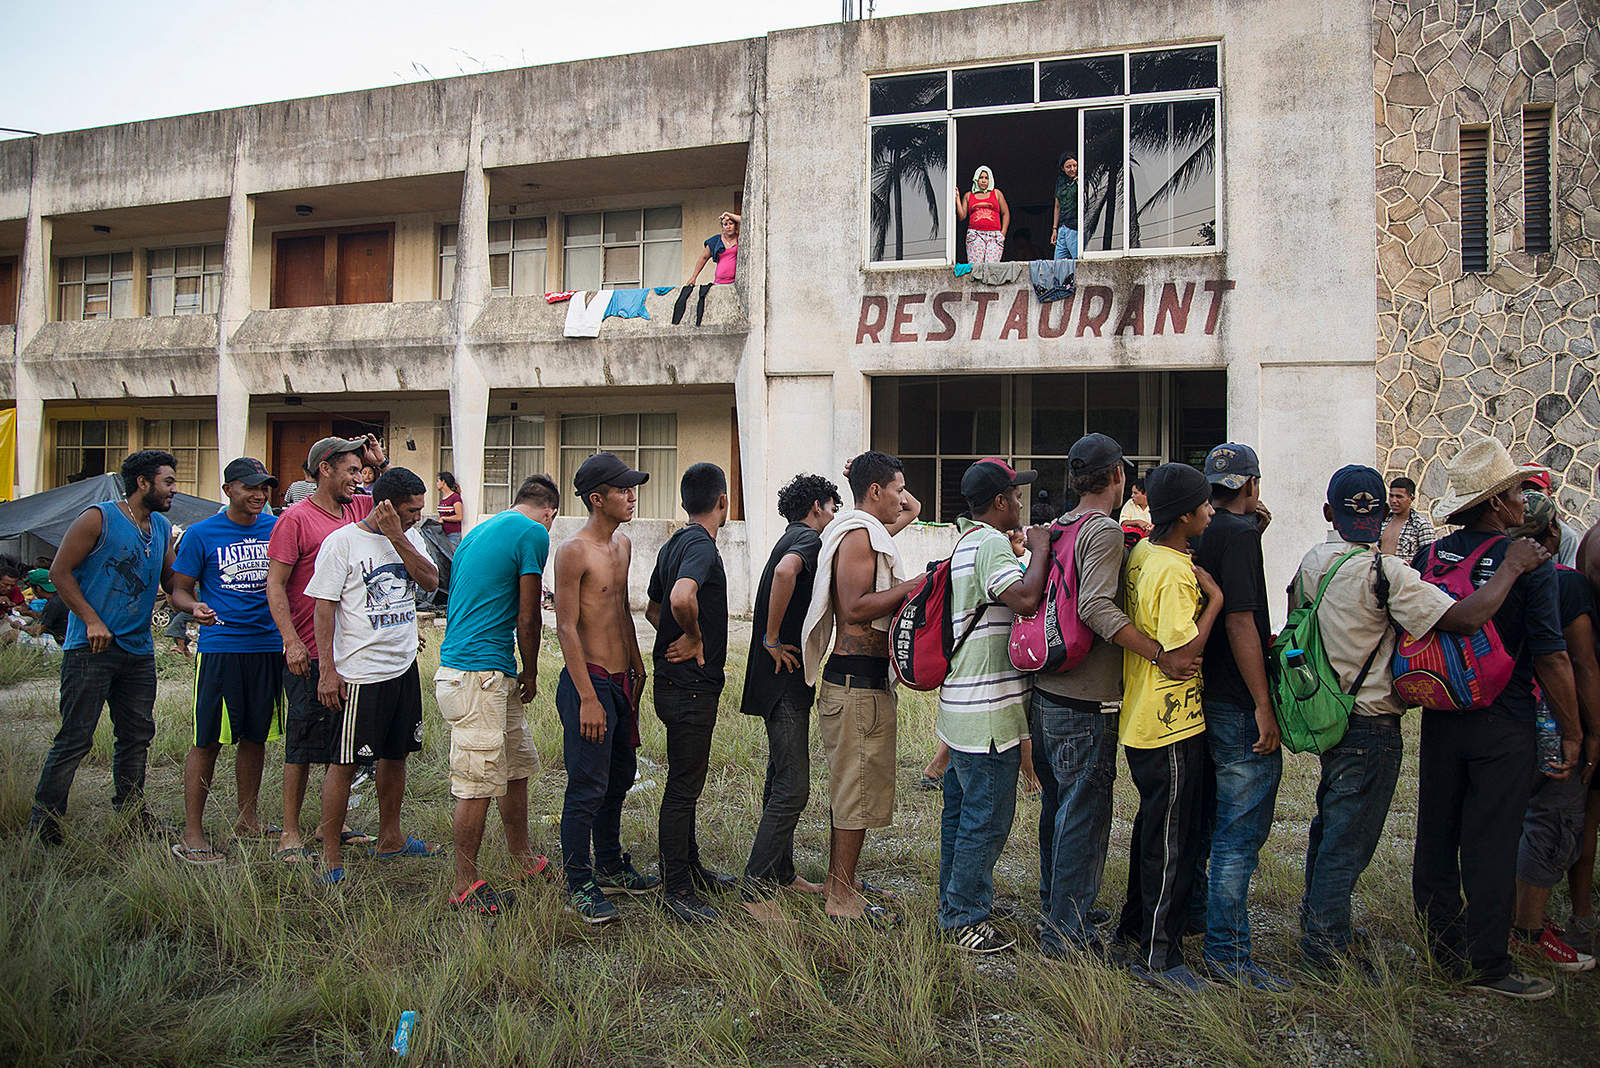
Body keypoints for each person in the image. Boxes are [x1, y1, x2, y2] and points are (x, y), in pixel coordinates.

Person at [1291, 465, 1540, 978]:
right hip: (1373, 724)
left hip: (1328, 713)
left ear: (1327, 514)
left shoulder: (1315, 560)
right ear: (1383, 515)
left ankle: (1317, 921)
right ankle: (1326, 947)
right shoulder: (1390, 574)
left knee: (1328, 825)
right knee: (1349, 841)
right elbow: (1466, 617)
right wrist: (1512, 567)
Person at [1411, 436, 1581, 1001]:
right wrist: (1575, 732)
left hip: (1442, 712)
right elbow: (1553, 656)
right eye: (1513, 491)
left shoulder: (1431, 557)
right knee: (1490, 840)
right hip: (1503, 722)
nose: (1520, 499)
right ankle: (1486, 964)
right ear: (1497, 504)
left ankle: (1441, 947)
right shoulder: (1528, 562)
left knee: (1437, 831)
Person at [1033, 435, 1200, 960]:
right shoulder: (1103, 529)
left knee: (1059, 811)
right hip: (1084, 699)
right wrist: (1159, 654)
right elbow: (1096, 609)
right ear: (1117, 477)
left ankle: (1057, 907)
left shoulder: (1061, 524)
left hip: (1046, 690)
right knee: (1083, 818)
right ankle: (1068, 934)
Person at [29, 450, 179, 845]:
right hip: (90, 650)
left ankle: (131, 814)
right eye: (167, 481)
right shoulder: (98, 518)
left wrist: (192, 604)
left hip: (138, 651)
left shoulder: (160, 526)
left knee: (136, 736)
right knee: (75, 738)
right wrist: (92, 619)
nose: (173, 489)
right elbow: (60, 573)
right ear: (143, 483)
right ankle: (44, 826)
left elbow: (172, 583)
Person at [1113, 461, 1224, 993]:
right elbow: (1182, 655)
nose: (1211, 511)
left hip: (1141, 717)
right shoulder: (1176, 573)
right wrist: (1216, 602)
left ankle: (1133, 929)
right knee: (1172, 843)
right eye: (1205, 504)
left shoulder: (1145, 553)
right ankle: (1161, 957)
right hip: (1170, 723)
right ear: (1184, 514)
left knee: (1154, 831)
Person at [799, 450, 922, 925]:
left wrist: (868, 476)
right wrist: (916, 585)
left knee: (856, 791)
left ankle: (838, 882)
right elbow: (854, 608)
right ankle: (842, 898)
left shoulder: (867, 529)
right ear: (875, 493)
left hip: (863, 685)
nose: (902, 499)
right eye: (895, 488)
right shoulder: (857, 536)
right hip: (855, 685)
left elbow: (910, 509)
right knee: (855, 795)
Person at [305, 467, 442, 884]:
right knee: (345, 762)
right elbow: (323, 609)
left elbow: (432, 582)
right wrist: (327, 671)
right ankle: (330, 854)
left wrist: (398, 536)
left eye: (420, 509)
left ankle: (390, 837)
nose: (417, 516)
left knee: (396, 755)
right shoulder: (342, 543)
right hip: (360, 674)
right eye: (409, 510)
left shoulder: (410, 537)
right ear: (384, 506)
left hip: (402, 666)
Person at [935, 459, 1050, 953]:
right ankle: (964, 917)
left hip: (960, 708)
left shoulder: (965, 543)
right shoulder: (990, 543)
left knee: (961, 817)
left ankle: (956, 899)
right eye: (1016, 496)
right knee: (987, 818)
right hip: (988, 712)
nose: (1021, 503)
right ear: (1001, 502)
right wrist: (1042, 549)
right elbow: (1024, 600)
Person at [1187, 444, 1287, 990]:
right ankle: (1229, 954)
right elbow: (1241, 623)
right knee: (1238, 833)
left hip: (1200, 693)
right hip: (1234, 699)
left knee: (1208, 821)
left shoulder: (1203, 529)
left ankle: (1201, 918)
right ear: (1253, 483)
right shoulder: (1241, 534)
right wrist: (1263, 704)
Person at [436, 474, 559, 915]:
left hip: (485, 669)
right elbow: (529, 615)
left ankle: (522, 855)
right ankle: (463, 885)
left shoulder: (481, 529)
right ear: (550, 512)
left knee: (514, 766)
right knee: (476, 782)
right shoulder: (532, 533)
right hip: (476, 675)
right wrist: (532, 669)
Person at [265, 434, 389, 863]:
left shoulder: (358, 508)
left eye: (362, 470)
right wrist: (291, 642)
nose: (360, 477)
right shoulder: (296, 519)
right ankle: (290, 832)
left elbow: (395, 508)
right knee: (302, 743)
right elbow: (276, 586)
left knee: (345, 743)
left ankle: (328, 826)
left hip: (352, 651)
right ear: (325, 468)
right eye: (352, 470)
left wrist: (382, 464)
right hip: (311, 651)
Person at [552, 453, 655, 925]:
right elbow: (567, 628)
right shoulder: (574, 551)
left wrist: (636, 666)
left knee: (618, 778)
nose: (632, 496)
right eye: (623, 490)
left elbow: (620, 613)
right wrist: (588, 698)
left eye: (633, 488)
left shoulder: (623, 545)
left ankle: (611, 864)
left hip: (619, 682)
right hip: (588, 682)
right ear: (598, 499)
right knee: (587, 785)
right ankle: (579, 881)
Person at [167, 458, 283, 864]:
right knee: (209, 739)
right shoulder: (202, 533)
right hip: (221, 647)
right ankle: (193, 830)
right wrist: (193, 605)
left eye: (265, 488)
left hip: (269, 647)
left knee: (256, 736)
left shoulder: (277, 529)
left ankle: (247, 819)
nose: (259, 495)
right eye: (250, 487)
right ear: (228, 488)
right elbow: (177, 589)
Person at [1509, 491, 1600, 969]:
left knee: (1513, 819)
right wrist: (1587, 732)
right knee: (1556, 820)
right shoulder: (1564, 583)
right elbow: (1577, 662)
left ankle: (1512, 917)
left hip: (1502, 719)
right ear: (1552, 534)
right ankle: (1532, 929)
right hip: (1551, 718)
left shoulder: (1492, 576)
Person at [740, 473, 842, 897]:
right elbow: (786, 573)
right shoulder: (808, 542)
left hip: (775, 680)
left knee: (777, 777)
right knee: (794, 787)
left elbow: (907, 510)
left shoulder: (791, 535)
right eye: (832, 506)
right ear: (816, 505)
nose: (835, 514)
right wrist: (771, 637)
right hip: (783, 681)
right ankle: (756, 886)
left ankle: (782, 874)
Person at [645, 463, 736, 923]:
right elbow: (680, 600)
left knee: (687, 781)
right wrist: (695, 637)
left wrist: (673, 637)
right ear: (724, 500)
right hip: (691, 688)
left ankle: (691, 869)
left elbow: (653, 608)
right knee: (683, 787)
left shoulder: (674, 543)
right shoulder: (700, 545)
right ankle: (675, 887)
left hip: (672, 683)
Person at [1520, 471, 1581, 568]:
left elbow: (1569, 575)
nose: (1531, 495)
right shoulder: (1510, 530)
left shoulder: (1567, 536)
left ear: (1549, 492)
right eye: (1525, 489)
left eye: (1537, 490)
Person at [957, 166, 1009, 265]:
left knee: (991, 267)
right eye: (981, 177)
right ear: (976, 179)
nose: (984, 180)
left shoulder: (996, 193)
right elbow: (962, 216)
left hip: (994, 236)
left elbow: (1005, 213)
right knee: (976, 268)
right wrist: (957, 199)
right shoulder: (969, 195)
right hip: (975, 235)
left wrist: (1003, 233)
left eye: (986, 178)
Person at [1380, 476, 1435, 563]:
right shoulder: (1383, 521)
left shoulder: (1420, 525)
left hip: (1406, 575)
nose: (1394, 500)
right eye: (1391, 496)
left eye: (1399, 497)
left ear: (1411, 499)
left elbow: (1428, 559)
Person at [687, 212, 740, 285]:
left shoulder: (741, 239)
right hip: (719, 283)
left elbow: (745, 221)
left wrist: (729, 214)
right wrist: (693, 277)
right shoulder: (715, 241)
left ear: (735, 226)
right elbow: (703, 258)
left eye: (731, 223)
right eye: (725, 224)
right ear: (722, 227)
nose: (728, 227)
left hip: (736, 283)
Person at [1051, 154, 1079, 263]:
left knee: (1077, 260)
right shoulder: (1060, 182)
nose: (1072, 169)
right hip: (1062, 226)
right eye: (1068, 167)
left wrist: (1079, 183)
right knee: (1058, 262)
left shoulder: (1081, 181)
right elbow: (1057, 206)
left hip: (1074, 226)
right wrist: (1054, 229)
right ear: (1062, 168)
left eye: (1075, 165)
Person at [436, 472, 464, 546]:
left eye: (438, 481)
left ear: (443, 482)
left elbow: (459, 516)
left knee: (451, 555)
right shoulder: (443, 498)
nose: (437, 483)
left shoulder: (455, 497)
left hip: (453, 534)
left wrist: (444, 518)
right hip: (443, 534)